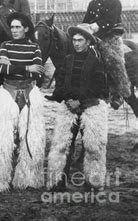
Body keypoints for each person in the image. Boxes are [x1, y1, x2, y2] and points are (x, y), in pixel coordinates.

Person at [0, 12, 46, 193]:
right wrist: (26, 67)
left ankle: (28, 180)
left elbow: (38, 73)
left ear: (26, 29)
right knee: (0, 140)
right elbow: (2, 69)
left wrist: (16, 68)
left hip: (30, 93)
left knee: (31, 139)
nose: (15, 30)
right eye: (12, 27)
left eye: (18, 27)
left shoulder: (35, 47)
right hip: (7, 92)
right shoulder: (5, 45)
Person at [47, 24, 109, 191]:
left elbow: (100, 88)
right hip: (69, 107)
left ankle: (93, 183)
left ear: (88, 42)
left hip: (89, 107)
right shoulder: (67, 60)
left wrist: (80, 101)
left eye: (80, 40)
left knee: (93, 147)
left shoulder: (96, 62)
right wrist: (67, 99)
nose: (76, 43)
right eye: (74, 40)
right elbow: (60, 82)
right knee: (62, 145)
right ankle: (58, 182)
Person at [82, 0, 131, 108]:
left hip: (110, 36)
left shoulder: (114, 1)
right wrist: (82, 28)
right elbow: (86, 20)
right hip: (94, 37)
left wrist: (96, 25)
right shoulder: (92, 3)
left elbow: (111, 20)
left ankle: (119, 93)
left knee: (113, 59)